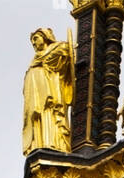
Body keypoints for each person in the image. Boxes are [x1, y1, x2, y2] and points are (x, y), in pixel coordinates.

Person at [22, 28, 75, 156]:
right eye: (32, 41)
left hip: (51, 94)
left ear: (45, 37)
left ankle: (54, 143)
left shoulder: (57, 48)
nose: (34, 43)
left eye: (36, 39)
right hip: (36, 98)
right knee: (36, 117)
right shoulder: (34, 61)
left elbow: (64, 51)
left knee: (50, 115)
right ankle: (39, 143)